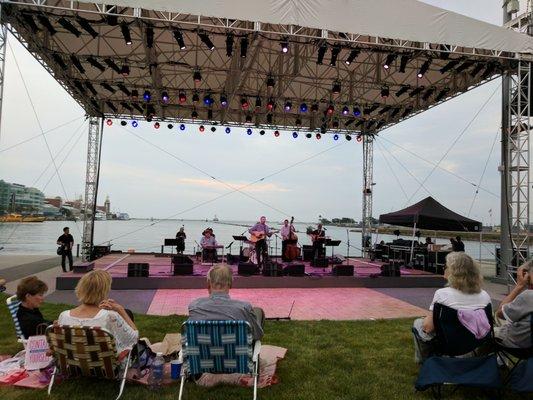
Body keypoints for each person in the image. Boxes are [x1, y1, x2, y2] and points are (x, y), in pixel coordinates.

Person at [411, 252, 491, 364]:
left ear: (454, 272)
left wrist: (427, 318)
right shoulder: (485, 296)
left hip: (451, 347)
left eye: (446, 266)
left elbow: (428, 327)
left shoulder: (443, 294)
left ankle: (426, 362)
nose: (443, 268)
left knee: (419, 324)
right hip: (475, 347)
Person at [58, 270, 138, 354]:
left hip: (72, 365)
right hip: (107, 366)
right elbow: (134, 338)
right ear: (104, 291)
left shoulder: (63, 315)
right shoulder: (110, 316)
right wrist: (120, 309)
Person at [188, 265, 264, 341]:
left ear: (208, 284)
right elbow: (257, 336)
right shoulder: (243, 308)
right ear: (230, 284)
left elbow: (187, 335)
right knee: (258, 311)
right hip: (235, 352)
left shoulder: (195, 306)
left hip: (203, 352)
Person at [495, 260, 533, 349]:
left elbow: (499, 313)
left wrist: (519, 286)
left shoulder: (528, 296)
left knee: (491, 331)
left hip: (517, 345)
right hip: (529, 343)